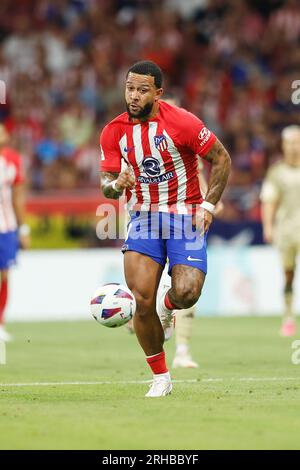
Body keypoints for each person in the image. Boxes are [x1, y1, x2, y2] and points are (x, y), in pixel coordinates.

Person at [100, 60, 231, 397]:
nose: (133, 95)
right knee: (141, 300)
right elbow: (106, 185)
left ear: (158, 93)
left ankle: (168, 307)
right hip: (143, 218)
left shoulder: (182, 123)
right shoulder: (113, 131)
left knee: (187, 292)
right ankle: (160, 377)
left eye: (142, 90)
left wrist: (208, 205)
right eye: (130, 88)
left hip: (185, 215)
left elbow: (222, 158)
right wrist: (117, 183)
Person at [260, 125, 300, 337]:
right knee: (288, 275)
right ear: (284, 146)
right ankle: (288, 316)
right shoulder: (277, 172)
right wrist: (268, 226)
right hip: (286, 231)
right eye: (290, 143)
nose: (294, 147)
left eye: (297, 142)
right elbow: (269, 201)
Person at [0, 124, 30, 342]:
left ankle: (0, 322)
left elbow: (18, 196)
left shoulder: (12, 159)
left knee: (4, 275)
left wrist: (23, 228)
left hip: (6, 227)